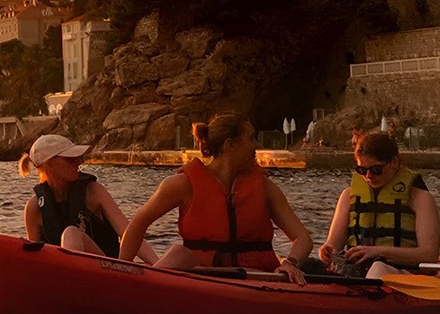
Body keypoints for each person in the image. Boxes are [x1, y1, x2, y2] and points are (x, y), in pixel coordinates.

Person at [118, 113, 311, 284]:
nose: (257, 145)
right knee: (179, 254)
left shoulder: (265, 188)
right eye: (251, 138)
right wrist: (121, 273)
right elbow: (137, 225)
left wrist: (290, 263)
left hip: (253, 278)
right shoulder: (181, 184)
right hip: (200, 277)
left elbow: (302, 238)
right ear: (230, 145)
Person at [318, 131, 440, 279]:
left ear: (394, 162)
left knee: (378, 268)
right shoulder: (348, 196)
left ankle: (365, 298)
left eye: (376, 170)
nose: (368, 176)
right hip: (357, 271)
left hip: (401, 273)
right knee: (307, 265)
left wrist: (377, 251)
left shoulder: (421, 198)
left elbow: (429, 254)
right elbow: (333, 245)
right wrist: (327, 251)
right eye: (361, 170)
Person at [19, 133, 154, 262]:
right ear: (50, 164)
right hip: (64, 275)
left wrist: (157, 264)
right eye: (70, 160)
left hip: (105, 269)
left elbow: (128, 232)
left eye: (78, 158)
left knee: (72, 234)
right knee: (70, 234)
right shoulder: (34, 207)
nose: (79, 162)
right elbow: (35, 256)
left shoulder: (94, 191)